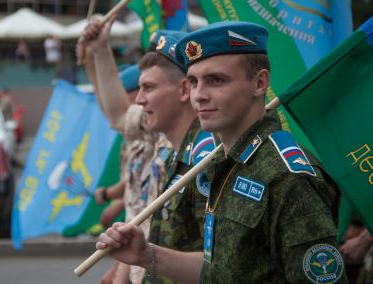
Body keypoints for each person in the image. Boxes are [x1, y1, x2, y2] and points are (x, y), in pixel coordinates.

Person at [96, 21, 349, 283]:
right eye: (194, 81)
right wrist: (146, 255)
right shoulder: (222, 162)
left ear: (260, 83)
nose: (199, 95)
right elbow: (219, 269)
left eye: (216, 80)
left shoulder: (288, 177)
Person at [81, 19, 216, 284]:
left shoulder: (207, 155)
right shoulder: (162, 134)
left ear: (183, 90)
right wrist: (99, 50)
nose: (139, 100)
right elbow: (119, 114)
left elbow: (221, 266)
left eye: (149, 88)